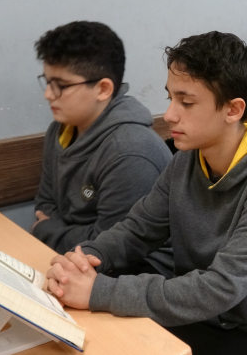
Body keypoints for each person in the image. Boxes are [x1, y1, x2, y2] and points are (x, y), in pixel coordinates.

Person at [44, 31, 247, 355]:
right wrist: (83, 258)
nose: (169, 114)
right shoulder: (188, 158)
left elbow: (220, 288)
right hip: (193, 314)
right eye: (170, 97)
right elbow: (137, 230)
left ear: (233, 110)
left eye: (186, 102)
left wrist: (99, 291)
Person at [32, 21, 173, 276]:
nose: (49, 95)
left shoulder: (131, 151)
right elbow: (45, 204)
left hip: (134, 275)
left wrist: (48, 230)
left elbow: (110, 248)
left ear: (103, 89)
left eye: (61, 85)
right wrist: (61, 231)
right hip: (71, 262)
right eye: (48, 82)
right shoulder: (60, 129)